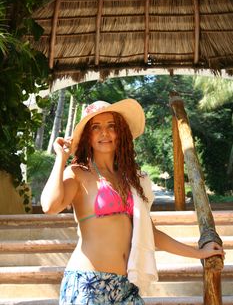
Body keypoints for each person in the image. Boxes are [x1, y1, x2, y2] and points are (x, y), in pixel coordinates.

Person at [41, 99, 224, 305]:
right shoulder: (78, 173)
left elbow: (150, 234)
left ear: (121, 133)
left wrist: (198, 253)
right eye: (96, 127)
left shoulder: (131, 180)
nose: (104, 133)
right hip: (88, 283)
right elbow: (50, 206)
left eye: (111, 126)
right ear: (87, 136)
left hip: (126, 285)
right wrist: (61, 159)